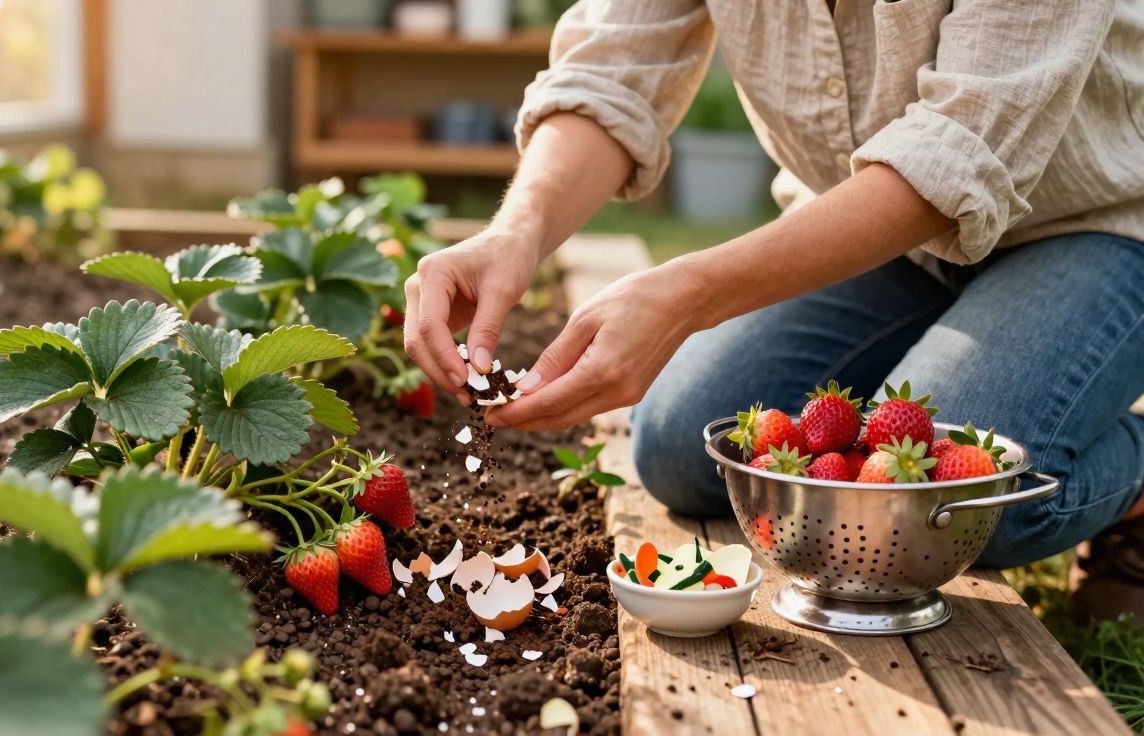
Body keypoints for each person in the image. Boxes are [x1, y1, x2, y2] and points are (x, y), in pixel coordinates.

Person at [401, 1, 1144, 584]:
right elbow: (613, 67)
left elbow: (961, 150)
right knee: (686, 447)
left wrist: (688, 293)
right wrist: (516, 233)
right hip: (877, 234)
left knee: (955, 505)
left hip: (1091, 221)